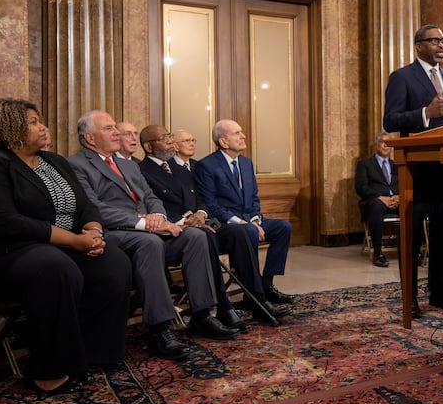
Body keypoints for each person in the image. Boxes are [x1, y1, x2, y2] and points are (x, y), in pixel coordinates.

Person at [0, 98, 131, 394]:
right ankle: (48, 370)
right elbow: (2, 222)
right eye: (34, 121)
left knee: (113, 262)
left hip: (60, 247)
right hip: (4, 252)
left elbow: (85, 204)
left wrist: (93, 231)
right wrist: (74, 241)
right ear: (9, 127)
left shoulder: (55, 162)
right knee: (55, 267)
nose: (43, 126)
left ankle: (91, 352)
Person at [68, 111, 239, 361]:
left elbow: (151, 198)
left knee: (195, 236)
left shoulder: (128, 164)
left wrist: (158, 218)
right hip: (117, 233)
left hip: (151, 227)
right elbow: (93, 208)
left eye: (116, 127)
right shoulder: (76, 165)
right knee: (148, 242)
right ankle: (160, 328)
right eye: (109, 129)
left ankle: (202, 315)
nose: (116, 132)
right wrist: (143, 223)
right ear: (90, 138)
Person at [138, 124, 290, 327]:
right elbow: (154, 204)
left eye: (170, 136)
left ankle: (257, 297)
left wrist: (200, 213)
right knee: (212, 236)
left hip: (205, 221)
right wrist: (186, 220)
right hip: (177, 228)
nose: (170, 141)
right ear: (149, 147)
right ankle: (223, 306)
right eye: (165, 138)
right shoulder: (141, 170)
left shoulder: (180, 168)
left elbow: (201, 198)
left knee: (239, 233)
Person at [383, 24, 443, 317]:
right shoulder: (402, 77)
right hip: (416, 170)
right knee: (411, 236)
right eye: (434, 40)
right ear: (418, 46)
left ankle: (441, 292)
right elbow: (391, 120)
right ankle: (409, 298)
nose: (441, 45)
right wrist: (426, 113)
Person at [195, 119, 295, 305]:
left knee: (283, 227)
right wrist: (242, 223)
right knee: (247, 231)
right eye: (237, 133)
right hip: (228, 224)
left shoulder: (246, 163)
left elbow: (254, 198)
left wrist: (255, 220)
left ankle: (266, 285)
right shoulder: (206, 166)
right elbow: (211, 204)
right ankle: (253, 293)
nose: (243, 136)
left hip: (250, 219)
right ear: (223, 142)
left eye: (241, 132)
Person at [355, 132, 399, 268]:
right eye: (382, 142)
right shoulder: (365, 164)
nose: (386, 145)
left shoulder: (397, 165)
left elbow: (405, 184)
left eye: (389, 143)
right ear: (376, 145)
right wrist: (380, 197)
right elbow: (361, 187)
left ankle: (414, 250)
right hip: (375, 201)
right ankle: (378, 252)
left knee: (414, 205)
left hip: (396, 201)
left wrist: (400, 197)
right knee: (376, 205)